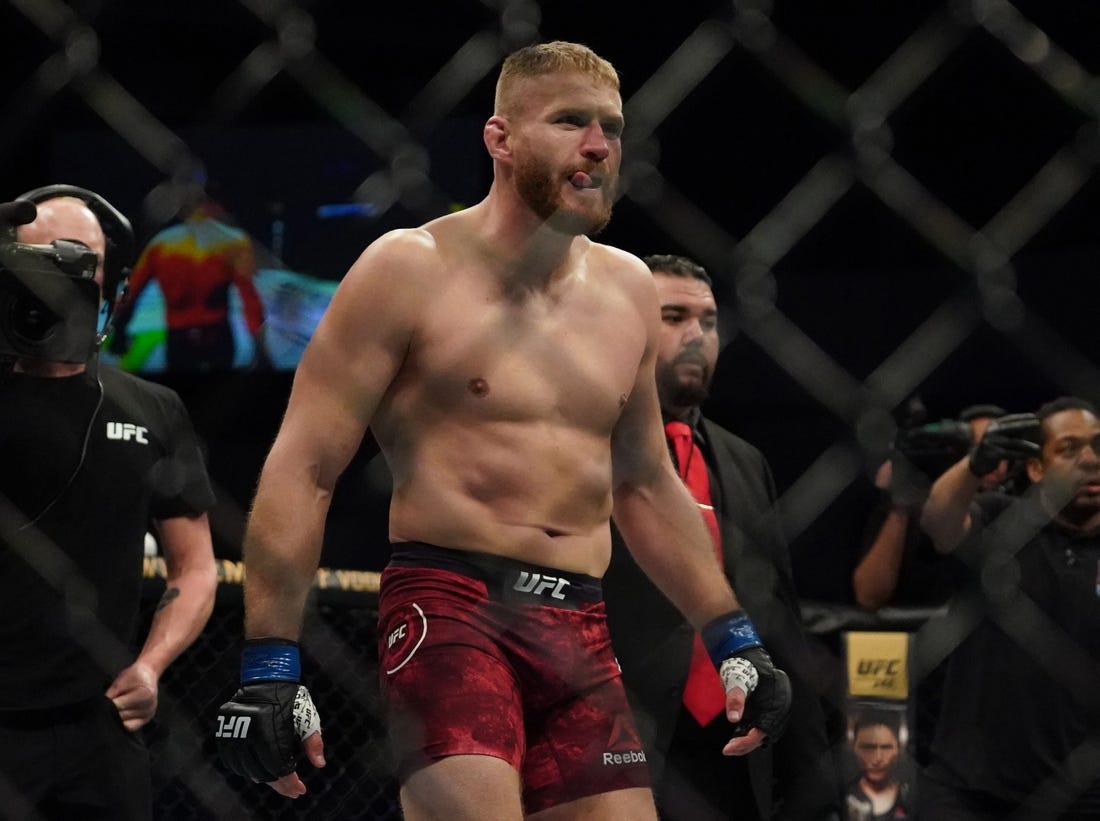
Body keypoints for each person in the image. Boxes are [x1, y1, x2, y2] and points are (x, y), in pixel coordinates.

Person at [214, 41, 792, 820]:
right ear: (500, 139)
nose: (599, 145)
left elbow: (646, 483)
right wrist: (271, 663)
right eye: (570, 121)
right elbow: (305, 465)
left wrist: (734, 638)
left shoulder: (626, 289)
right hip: (453, 606)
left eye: (611, 128)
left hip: (582, 623)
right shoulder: (408, 268)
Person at [0, 187, 218, 820]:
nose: (58, 272)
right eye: (38, 256)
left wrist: (150, 668)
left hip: (97, 730)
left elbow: (196, 567)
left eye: (78, 258)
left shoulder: (152, 411)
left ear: (111, 282)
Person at [601, 254, 840, 820]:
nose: (697, 335)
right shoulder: (588, 443)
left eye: (708, 322)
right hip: (615, 730)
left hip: (734, 738)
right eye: (674, 316)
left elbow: (777, 609)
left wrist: (815, 784)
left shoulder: (744, 459)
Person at [917, 397, 1100, 818]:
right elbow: (938, 521)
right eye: (1069, 449)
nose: (1090, 459)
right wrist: (973, 466)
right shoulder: (1002, 521)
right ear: (1036, 469)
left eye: (1097, 446)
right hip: (970, 787)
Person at [852, 404, 1010, 612]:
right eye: (980, 449)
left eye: (998, 448)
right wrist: (899, 506)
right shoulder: (916, 505)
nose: (991, 459)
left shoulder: (1019, 505)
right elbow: (869, 596)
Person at [110, 184, 267, 372]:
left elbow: (132, 292)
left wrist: (119, 331)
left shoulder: (161, 244)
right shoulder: (232, 241)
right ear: (215, 205)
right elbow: (249, 296)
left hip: (178, 338)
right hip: (217, 335)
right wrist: (260, 346)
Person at [844, 708, 913, 820]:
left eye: (886, 747)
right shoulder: (841, 798)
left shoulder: (913, 796)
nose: (877, 758)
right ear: (854, 749)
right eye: (867, 747)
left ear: (899, 750)